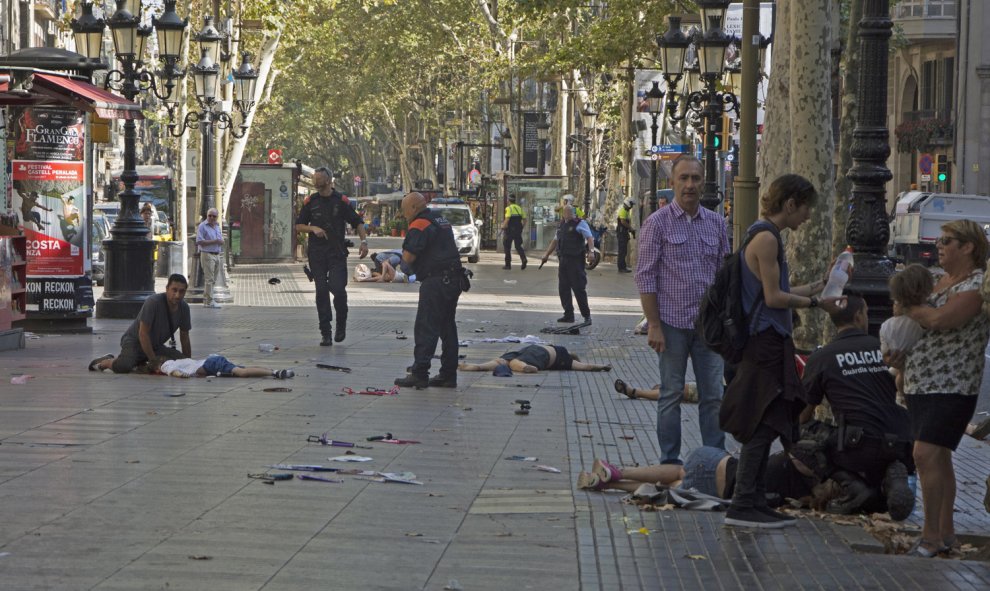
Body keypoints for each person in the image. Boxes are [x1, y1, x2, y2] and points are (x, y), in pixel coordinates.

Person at [718, 174, 844, 529]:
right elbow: (774, 299)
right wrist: (816, 302)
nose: (807, 217)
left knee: (770, 421)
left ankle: (754, 499)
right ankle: (744, 502)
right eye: (805, 209)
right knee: (764, 423)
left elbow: (772, 290)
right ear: (790, 204)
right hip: (766, 343)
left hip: (767, 341)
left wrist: (820, 285)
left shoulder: (760, 233)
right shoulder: (767, 239)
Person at [886, 219, 989, 556]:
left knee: (924, 454)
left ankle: (930, 537)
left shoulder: (975, 286)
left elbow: (940, 320)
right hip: (920, 382)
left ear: (968, 247)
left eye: (947, 240)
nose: (939, 245)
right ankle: (946, 534)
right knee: (939, 458)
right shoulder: (938, 282)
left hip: (953, 385)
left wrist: (908, 308)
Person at [634, 156, 730, 467]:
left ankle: (714, 460)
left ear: (703, 183)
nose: (690, 185)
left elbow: (723, 276)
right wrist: (653, 325)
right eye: (684, 178)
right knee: (671, 394)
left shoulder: (717, 224)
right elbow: (645, 276)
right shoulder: (657, 223)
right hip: (671, 324)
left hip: (708, 328)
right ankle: (669, 461)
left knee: (713, 396)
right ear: (673, 183)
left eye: (696, 179)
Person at [800, 295, 915, 521]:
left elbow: (802, 414)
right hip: (903, 442)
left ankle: (851, 485)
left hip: (858, 446)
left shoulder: (822, 357)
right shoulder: (887, 349)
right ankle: (892, 473)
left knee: (796, 433)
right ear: (859, 316)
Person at [576, 447, 820, 509]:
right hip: (714, 493)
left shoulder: (800, 465)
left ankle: (618, 471)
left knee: (678, 471)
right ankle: (611, 483)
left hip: (717, 464)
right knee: (670, 486)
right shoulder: (803, 494)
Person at [393, 192, 464, 389]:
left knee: (426, 326)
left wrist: (403, 272)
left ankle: (420, 373)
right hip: (454, 279)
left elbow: (407, 258)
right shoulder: (440, 219)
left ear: (414, 208)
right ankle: (448, 375)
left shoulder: (419, 224)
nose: (403, 214)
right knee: (447, 327)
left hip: (436, 282)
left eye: (404, 209)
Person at [295, 167, 369, 346]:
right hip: (317, 253)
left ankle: (341, 324)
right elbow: (299, 225)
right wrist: (313, 228)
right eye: (314, 178)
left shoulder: (341, 201)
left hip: (336, 252)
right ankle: (325, 332)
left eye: (318, 179)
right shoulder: (310, 202)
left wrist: (364, 242)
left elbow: (357, 222)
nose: (314, 181)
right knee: (321, 291)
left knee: (338, 289)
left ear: (328, 181)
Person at [88, 273, 192, 374]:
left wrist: (189, 363)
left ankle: (140, 361)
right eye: (174, 290)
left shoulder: (184, 308)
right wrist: (153, 361)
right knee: (124, 366)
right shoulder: (153, 302)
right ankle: (106, 361)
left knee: (180, 360)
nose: (177, 295)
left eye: (181, 291)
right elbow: (143, 334)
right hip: (134, 341)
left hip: (155, 346)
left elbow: (185, 337)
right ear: (167, 289)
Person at [541, 205, 594, 324]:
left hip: (575, 261)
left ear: (573, 213)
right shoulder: (561, 225)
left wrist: (591, 252)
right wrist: (546, 255)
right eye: (565, 212)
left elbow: (589, 238)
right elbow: (555, 241)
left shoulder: (580, 223)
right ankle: (568, 315)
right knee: (563, 288)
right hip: (563, 260)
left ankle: (587, 316)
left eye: (569, 212)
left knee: (579, 288)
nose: (567, 214)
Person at [458, 344, 611, 373]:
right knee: (516, 363)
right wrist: (603, 366)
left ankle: (478, 366)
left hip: (530, 348)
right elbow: (586, 367)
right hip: (541, 356)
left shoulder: (558, 348)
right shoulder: (566, 360)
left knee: (501, 361)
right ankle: (523, 367)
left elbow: (585, 365)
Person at [149, 355, 294, 379]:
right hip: (212, 363)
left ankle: (275, 373)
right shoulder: (178, 360)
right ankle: (274, 371)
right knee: (242, 368)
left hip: (211, 364)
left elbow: (173, 372)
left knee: (242, 373)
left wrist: (182, 375)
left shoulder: (166, 365)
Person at [196, 207, 224, 309]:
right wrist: (215, 241)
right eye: (209, 215)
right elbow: (199, 241)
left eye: (214, 216)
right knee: (209, 279)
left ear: (217, 217)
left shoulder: (217, 226)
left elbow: (220, 239)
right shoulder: (202, 226)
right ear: (207, 216)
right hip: (207, 254)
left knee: (213, 279)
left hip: (217, 254)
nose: (211, 218)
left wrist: (220, 241)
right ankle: (209, 301)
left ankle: (209, 299)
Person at [502, 194, 528, 270]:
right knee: (518, 246)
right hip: (518, 230)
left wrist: (503, 226)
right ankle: (523, 259)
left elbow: (507, 219)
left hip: (510, 231)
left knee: (507, 247)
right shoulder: (519, 208)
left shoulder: (508, 208)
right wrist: (521, 227)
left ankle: (508, 265)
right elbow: (525, 220)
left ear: (509, 200)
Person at [615, 198, 635, 273]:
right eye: (631, 204)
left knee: (624, 251)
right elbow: (623, 222)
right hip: (621, 233)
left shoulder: (626, 211)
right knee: (622, 251)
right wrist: (630, 228)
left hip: (624, 232)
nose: (632, 206)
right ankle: (621, 267)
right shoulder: (623, 211)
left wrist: (630, 229)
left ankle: (623, 266)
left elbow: (627, 222)